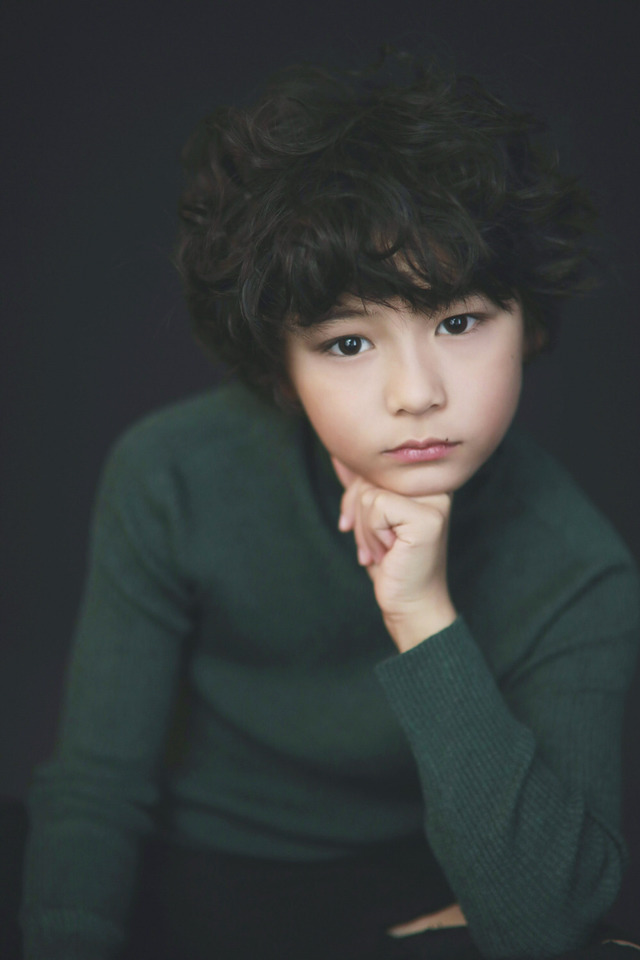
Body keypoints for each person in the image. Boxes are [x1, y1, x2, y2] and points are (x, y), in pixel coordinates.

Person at [20, 49, 640, 960]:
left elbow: (546, 924)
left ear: (530, 323)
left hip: (412, 894)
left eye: (458, 322)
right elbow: (95, 790)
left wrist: (421, 613)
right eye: (349, 342)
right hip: (185, 873)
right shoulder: (173, 474)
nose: (416, 393)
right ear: (280, 367)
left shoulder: (576, 568)